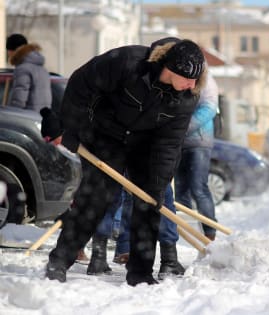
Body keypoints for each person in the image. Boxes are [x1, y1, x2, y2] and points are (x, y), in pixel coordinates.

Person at [41, 37, 206, 286]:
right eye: (187, 79)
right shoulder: (128, 63)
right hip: (106, 135)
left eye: (196, 80)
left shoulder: (186, 97)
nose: (192, 85)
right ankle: (59, 262)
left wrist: (158, 184)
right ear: (170, 69)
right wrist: (71, 128)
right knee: (95, 199)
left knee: (149, 204)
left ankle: (140, 274)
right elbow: (81, 84)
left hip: (145, 145)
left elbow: (169, 144)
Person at [175, 73, 218, 240]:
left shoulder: (206, 79)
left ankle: (210, 232)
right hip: (178, 142)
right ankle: (186, 230)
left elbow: (209, 108)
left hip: (200, 142)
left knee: (199, 187)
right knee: (180, 188)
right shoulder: (179, 76)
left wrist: (183, 127)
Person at [6, 33, 52, 112]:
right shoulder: (42, 69)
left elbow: (19, 100)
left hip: (27, 119)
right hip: (41, 118)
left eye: (8, 50)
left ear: (12, 51)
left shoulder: (22, 69)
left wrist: (11, 116)